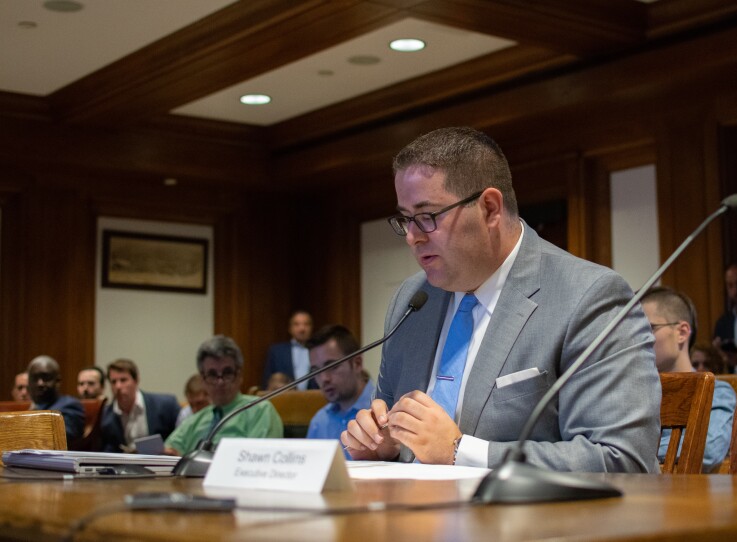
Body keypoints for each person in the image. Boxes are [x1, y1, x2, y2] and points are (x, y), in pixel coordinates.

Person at [341, 127, 660, 472]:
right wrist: (379, 444)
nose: (412, 238)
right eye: (405, 219)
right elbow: (393, 431)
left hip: (532, 523)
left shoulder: (588, 297)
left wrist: (459, 451)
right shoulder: (412, 300)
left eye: (427, 217)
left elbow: (623, 459)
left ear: (490, 208)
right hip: (411, 518)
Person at [642, 287, 736, 473]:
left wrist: (633, 448)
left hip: (694, 497)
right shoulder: (637, 392)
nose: (637, 339)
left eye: (648, 328)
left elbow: (707, 448)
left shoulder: (717, 392)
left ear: (682, 333)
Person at [165, 335, 283, 456]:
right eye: (212, 374)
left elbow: (259, 460)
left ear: (239, 375)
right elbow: (166, 452)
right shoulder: (195, 420)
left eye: (227, 373)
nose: (220, 382)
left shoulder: (260, 410)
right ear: (202, 380)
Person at [306, 325, 374, 459]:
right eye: (316, 372)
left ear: (357, 363)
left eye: (332, 366)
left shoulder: (386, 409)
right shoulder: (319, 422)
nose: (324, 379)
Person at [100, 358, 180, 453]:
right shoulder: (106, 415)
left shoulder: (165, 405)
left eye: (123, 380)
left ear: (136, 380)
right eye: (113, 382)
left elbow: (181, 440)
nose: (118, 386)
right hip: (125, 465)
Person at [27, 355, 84, 443]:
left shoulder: (71, 405)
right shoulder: (29, 408)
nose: (40, 383)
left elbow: (63, 436)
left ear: (57, 381)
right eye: (35, 378)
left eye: (45, 378)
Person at [261, 310, 317, 390]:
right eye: (296, 324)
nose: (302, 328)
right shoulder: (276, 352)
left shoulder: (319, 351)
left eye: (306, 324)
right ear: (290, 328)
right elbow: (266, 383)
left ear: (312, 327)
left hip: (315, 400)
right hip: (284, 400)